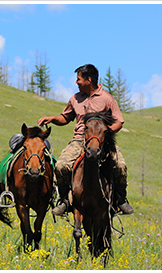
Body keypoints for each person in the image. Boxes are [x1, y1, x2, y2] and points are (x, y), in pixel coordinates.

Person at [38, 64, 134, 216]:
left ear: (89, 80)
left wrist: (106, 133)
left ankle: (121, 200)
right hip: (79, 141)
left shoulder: (107, 99)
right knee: (62, 166)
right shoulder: (75, 98)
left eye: (78, 79)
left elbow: (119, 122)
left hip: (102, 142)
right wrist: (52, 118)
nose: (76, 82)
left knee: (120, 166)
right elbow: (65, 117)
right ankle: (65, 200)